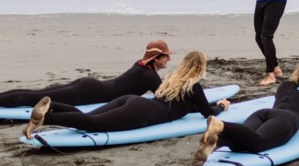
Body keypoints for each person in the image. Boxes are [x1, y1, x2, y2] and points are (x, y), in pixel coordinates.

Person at [22, 50, 230, 139]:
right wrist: (221, 106)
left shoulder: (172, 79)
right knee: (95, 125)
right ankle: (46, 118)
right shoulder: (194, 87)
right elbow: (207, 114)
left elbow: (185, 105)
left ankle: (53, 106)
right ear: (200, 67)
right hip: (142, 112)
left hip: (132, 101)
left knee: (89, 117)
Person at [0, 40, 173, 120]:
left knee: (37, 93)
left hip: (90, 85)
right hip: (90, 93)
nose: (169, 59)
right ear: (157, 58)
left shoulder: (141, 65)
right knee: (34, 98)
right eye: (166, 56)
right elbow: (166, 98)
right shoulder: (149, 76)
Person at [192, 55, 299, 166]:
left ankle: (217, 141)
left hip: (264, 113)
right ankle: (222, 125)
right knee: (258, 144)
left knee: (240, 144)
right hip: (287, 119)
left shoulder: (284, 85)